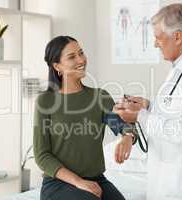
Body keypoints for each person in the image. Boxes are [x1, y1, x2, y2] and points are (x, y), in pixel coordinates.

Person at [114, 4, 182, 200]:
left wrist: (140, 116)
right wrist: (148, 106)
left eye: (158, 37)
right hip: (174, 180)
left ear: (177, 37)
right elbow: (180, 110)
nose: (155, 44)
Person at [33, 36, 137, 200]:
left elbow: (122, 124)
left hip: (97, 180)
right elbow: (41, 155)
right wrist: (79, 182)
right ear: (57, 66)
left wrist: (127, 137)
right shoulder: (46, 102)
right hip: (58, 184)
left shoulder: (99, 97)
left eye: (81, 53)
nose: (81, 59)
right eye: (72, 57)